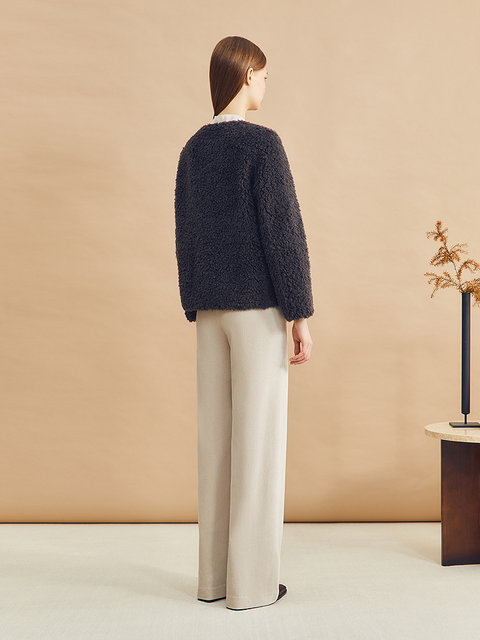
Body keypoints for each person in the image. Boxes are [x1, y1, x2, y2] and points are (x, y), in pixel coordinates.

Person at [174, 35, 314, 611]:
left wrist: (195, 302)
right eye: (264, 74)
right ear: (248, 74)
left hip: (209, 311)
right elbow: (283, 232)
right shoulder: (262, 144)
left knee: (216, 445)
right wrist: (299, 313)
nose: (266, 83)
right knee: (257, 446)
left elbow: (184, 234)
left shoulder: (192, 150)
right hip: (257, 310)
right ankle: (252, 587)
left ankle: (212, 581)